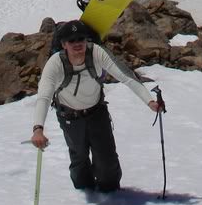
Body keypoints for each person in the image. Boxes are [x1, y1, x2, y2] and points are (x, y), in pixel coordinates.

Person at [31, 19, 162, 192]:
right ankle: (84, 193)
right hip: (70, 117)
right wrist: (38, 128)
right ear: (64, 44)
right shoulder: (55, 64)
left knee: (107, 164)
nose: (77, 44)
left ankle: (111, 195)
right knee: (79, 163)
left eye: (81, 39)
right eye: (72, 40)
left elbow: (126, 76)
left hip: (96, 113)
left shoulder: (97, 54)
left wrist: (150, 101)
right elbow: (44, 96)